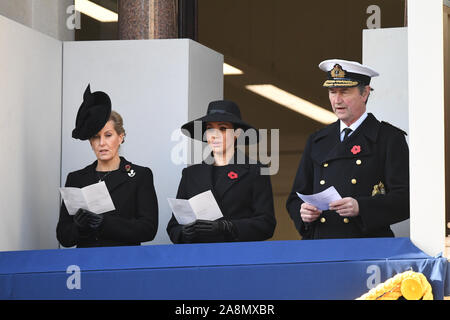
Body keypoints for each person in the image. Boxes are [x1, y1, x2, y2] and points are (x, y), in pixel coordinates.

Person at [286, 59, 409, 239]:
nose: (337, 100)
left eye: (344, 92)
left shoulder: (388, 138)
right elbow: (295, 198)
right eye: (332, 92)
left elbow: (405, 199)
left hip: (366, 244)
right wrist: (302, 213)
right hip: (322, 243)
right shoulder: (318, 140)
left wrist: (361, 207)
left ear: (365, 93)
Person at [56, 84, 158, 247]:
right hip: (86, 264)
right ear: (90, 142)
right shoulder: (76, 178)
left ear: (121, 137)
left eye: (108, 135)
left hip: (124, 263)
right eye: (96, 137)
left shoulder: (140, 175)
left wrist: (105, 223)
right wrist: (78, 227)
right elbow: (63, 237)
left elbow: (149, 229)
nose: (102, 143)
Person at [166, 100, 276, 243]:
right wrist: (184, 232)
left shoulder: (256, 171)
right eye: (210, 129)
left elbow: (266, 224)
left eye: (223, 128)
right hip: (199, 257)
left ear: (237, 133)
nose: (214, 135)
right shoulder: (191, 174)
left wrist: (228, 227)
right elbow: (173, 227)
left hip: (237, 256)